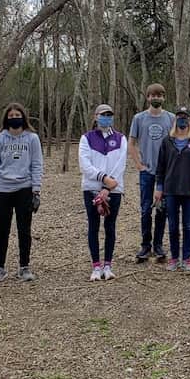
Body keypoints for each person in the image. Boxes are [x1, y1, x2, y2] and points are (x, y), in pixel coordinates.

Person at [0, 102, 43, 283]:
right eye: (10, 116)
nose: (14, 118)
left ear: (23, 117)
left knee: (24, 229)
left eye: (17, 115)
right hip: (2, 189)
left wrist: (36, 190)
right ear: (6, 119)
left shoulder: (32, 138)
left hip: (24, 189)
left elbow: (37, 164)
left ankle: (24, 266)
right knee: (2, 230)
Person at [79, 103, 127, 281]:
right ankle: (96, 266)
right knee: (93, 225)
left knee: (110, 226)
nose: (107, 117)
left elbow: (120, 164)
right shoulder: (87, 138)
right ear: (96, 116)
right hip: (91, 188)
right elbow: (85, 164)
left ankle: (108, 265)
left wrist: (108, 187)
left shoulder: (121, 138)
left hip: (114, 189)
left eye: (110, 114)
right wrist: (102, 178)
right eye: (103, 114)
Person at [154, 106, 190, 272]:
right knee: (173, 225)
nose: (182, 120)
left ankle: (187, 258)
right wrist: (159, 187)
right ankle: (174, 258)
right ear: (175, 120)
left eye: (186, 117)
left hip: (189, 190)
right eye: (180, 117)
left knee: (188, 225)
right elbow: (160, 166)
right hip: (170, 190)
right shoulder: (167, 141)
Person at [129, 83, 174, 262]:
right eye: (152, 95)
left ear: (164, 98)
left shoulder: (171, 118)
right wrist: (139, 165)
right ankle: (145, 246)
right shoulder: (139, 118)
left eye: (159, 95)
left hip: (165, 172)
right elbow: (131, 143)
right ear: (147, 97)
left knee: (162, 209)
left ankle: (158, 245)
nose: (156, 98)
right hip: (147, 172)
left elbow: (176, 143)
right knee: (146, 209)